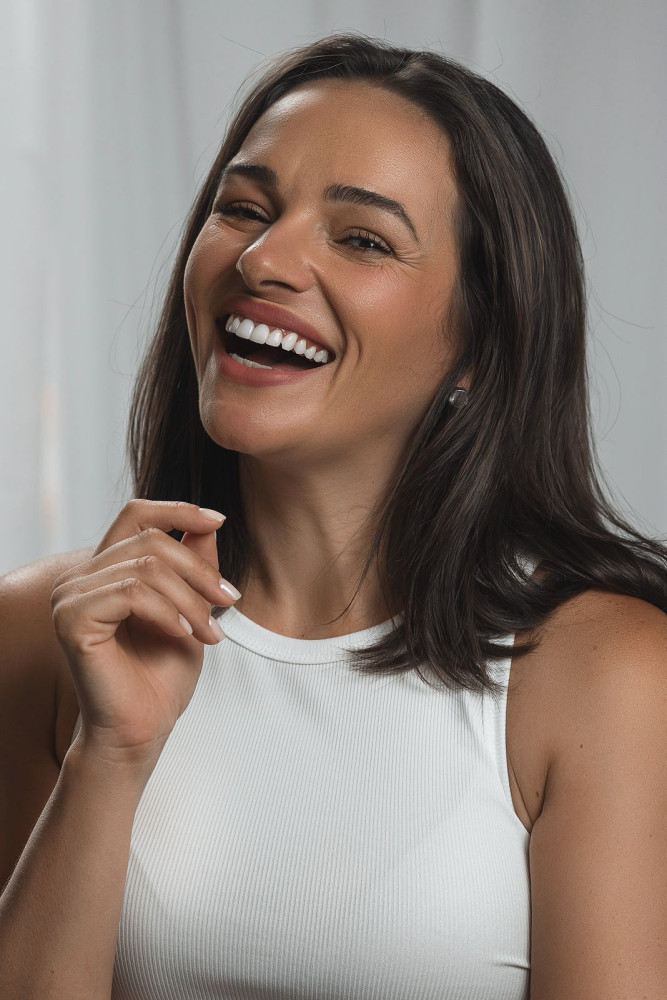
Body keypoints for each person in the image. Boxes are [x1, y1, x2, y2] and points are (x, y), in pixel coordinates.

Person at [0, 30, 665, 1000]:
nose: (263, 258)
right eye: (243, 207)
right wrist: (110, 753)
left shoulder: (605, 673)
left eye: (361, 239)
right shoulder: (44, 630)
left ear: (479, 343)